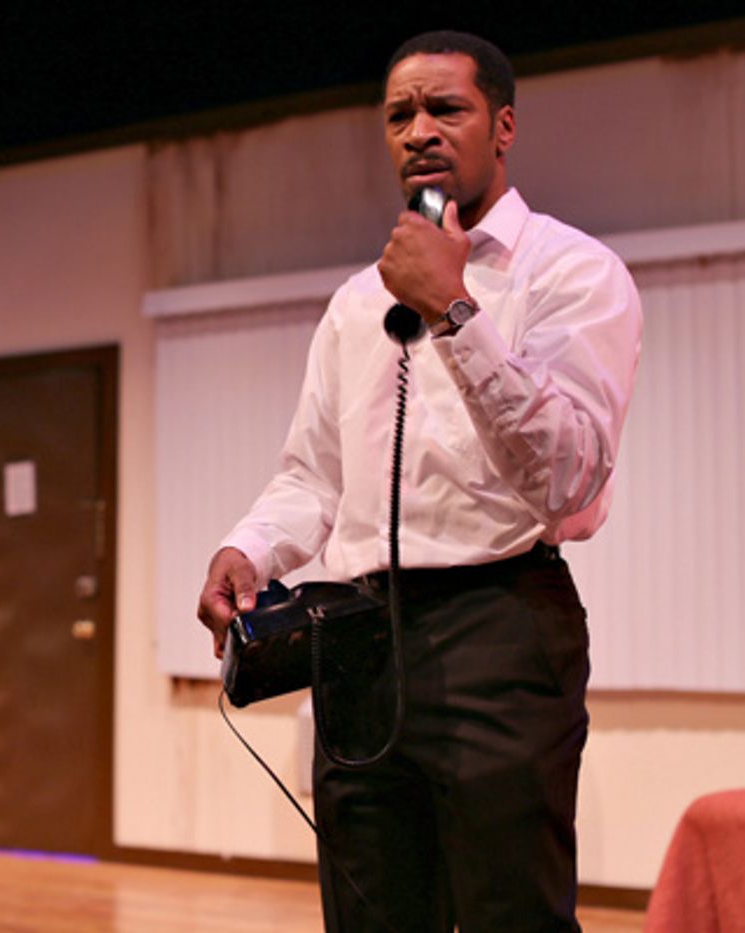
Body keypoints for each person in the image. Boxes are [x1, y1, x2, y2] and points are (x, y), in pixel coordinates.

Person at [197, 30, 642, 932]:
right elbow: (313, 476)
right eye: (400, 113)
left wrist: (454, 308)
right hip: (360, 639)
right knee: (370, 914)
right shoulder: (358, 301)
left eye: (447, 107)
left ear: (503, 124)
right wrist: (249, 545)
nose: (419, 130)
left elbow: (566, 474)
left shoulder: (573, 272)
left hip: (502, 628)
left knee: (508, 913)